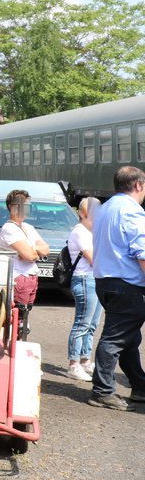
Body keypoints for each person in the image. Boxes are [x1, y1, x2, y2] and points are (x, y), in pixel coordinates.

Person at [88, 165, 145, 411]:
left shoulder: (105, 209)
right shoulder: (132, 212)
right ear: (139, 185)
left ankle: (140, 387)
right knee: (115, 339)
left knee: (129, 339)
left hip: (105, 282)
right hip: (126, 284)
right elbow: (142, 252)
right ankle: (102, 391)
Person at [0, 188, 49, 341]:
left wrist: (33, 251)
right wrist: (34, 251)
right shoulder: (9, 228)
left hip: (32, 277)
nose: (29, 209)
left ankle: (18, 345)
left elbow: (45, 249)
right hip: (19, 277)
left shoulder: (28, 227)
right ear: (14, 207)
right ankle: (12, 346)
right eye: (26, 206)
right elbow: (30, 255)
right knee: (17, 318)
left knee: (25, 316)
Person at [65, 197, 102, 380]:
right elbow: (94, 259)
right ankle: (73, 364)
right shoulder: (80, 232)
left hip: (95, 280)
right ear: (81, 213)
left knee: (92, 325)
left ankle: (86, 360)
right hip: (85, 280)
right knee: (81, 324)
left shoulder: (94, 232)